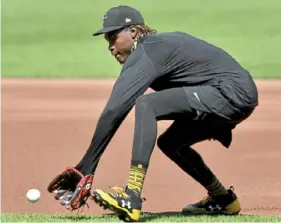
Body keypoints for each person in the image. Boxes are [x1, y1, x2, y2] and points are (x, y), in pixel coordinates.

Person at [47, 5, 259, 222]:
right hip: (230, 94)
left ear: (133, 32)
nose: (110, 46)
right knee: (170, 143)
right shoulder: (156, 48)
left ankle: (132, 196)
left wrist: (85, 167)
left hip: (230, 92)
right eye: (107, 41)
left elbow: (114, 110)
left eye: (113, 37)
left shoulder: (148, 50)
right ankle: (222, 198)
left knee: (147, 105)